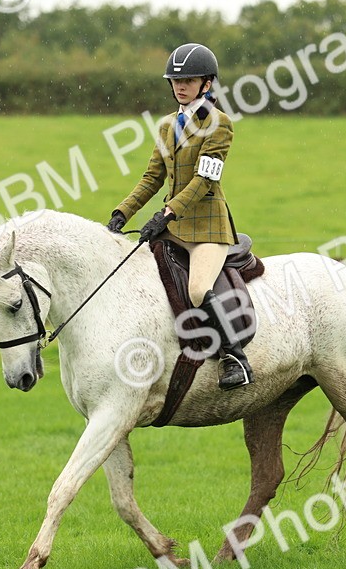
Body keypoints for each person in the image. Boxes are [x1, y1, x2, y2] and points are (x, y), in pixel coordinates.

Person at [107, 42, 253, 390]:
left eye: (188, 80)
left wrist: (167, 212)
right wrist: (120, 214)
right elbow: (151, 178)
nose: (180, 86)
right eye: (175, 80)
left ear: (207, 83)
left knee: (199, 289)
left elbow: (205, 180)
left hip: (207, 228)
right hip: (172, 225)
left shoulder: (220, 124)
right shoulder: (167, 126)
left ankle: (236, 358)